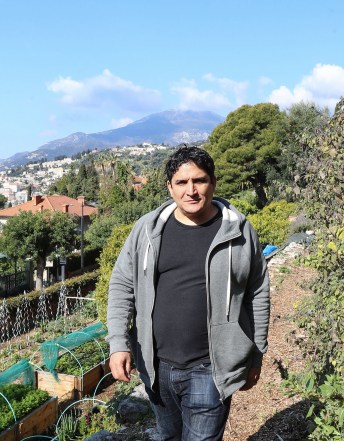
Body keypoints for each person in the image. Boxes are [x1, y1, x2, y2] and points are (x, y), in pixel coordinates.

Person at [106, 146, 270, 441]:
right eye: (182, 182)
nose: (191, 191)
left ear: (213, 183)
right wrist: (119, 343)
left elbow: (258, 293)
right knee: (168, 435)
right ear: (170, 187)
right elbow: (121, 284)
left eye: (200, 180)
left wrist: (256, 355)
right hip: (156, 366)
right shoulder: (147, 229)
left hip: (211, 368)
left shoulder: (239, 231)